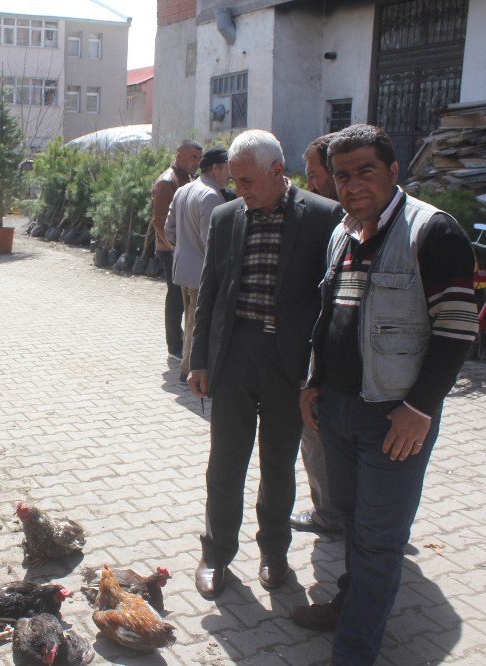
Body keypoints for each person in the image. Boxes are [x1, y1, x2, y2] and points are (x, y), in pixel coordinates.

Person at [292, 124, 476, 665]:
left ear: (394, 172)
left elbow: (457, 331)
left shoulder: (433, 232)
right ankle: (353, 607)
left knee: (379, 538)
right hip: (339, 410)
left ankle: (354, 650)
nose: (353, 184)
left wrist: (420, 409)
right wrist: (312, 382)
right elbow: (326, 317)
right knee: (351, 522)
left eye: (365, 171)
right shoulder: (343, 231)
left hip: (395, 418)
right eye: (343, 174)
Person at [188, 130, 341, 599]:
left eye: (249, 181)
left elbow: (330, 303)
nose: (241, 191)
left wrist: (318, 375)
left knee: (278, 465)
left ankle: (274, 552)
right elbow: (209, 291)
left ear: (279, 172)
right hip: (234, 358)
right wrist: (199, 360)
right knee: (225, 464)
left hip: (287, 366)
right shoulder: (226, 217)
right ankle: (216, 554)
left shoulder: (322, 216)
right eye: (234, 181)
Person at [290, 132, 343, 536]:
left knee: (316, 430)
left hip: (330, 354)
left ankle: (329, 512)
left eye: (314, 174)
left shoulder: (335, 221)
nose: (309, 184)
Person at [164, 146, 230, 383]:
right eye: (227, 169)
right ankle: (188, 369)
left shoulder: (184, 190)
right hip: (202, 273)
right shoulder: (211, 196)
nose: (230, 175)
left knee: (192, 319)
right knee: (197, 321)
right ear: (216, 168)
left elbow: (168, 229)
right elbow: (211, 241)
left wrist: (183, 249)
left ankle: (188, 366)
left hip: (183, 268)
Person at [151, 139, 202, 358]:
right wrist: (174, 248)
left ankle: (181, 341)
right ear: (179, 155)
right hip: (170, 249)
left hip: (182, 248)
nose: (197, 162)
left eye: (199, 158)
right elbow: (159, 222)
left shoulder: (187, 178)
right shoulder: (167, 181)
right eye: (193, 157)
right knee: (176, 297)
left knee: (184, 298)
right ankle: (174, 346)